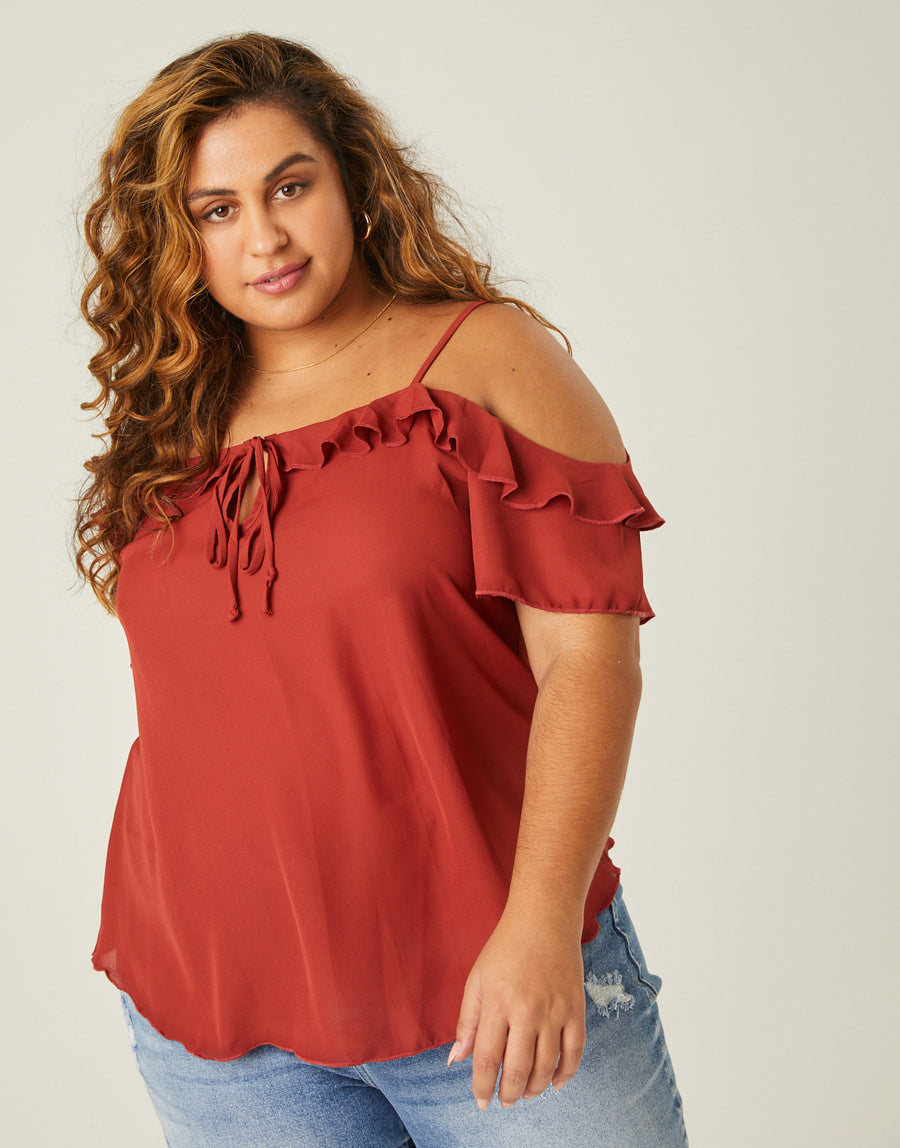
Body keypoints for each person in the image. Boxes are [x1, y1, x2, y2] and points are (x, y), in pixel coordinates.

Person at [74, 31, 688, 1148]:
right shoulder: (172, 415)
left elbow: (587, 659)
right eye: (217, 210)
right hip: (221, 1032)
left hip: (497, 994)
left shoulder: (483, 361)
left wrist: (541, 924)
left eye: (289, 187)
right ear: (178, 237)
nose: (265, 238)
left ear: (352, 179)